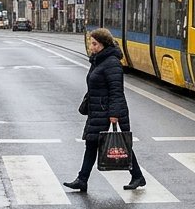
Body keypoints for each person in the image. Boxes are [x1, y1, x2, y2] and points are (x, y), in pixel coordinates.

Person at [63, 28, 146, 193]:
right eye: (90, 43)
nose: (91, 47)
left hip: (107, 110)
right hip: (97, 109)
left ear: (103, 44)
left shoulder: (111, 63)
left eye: (94, 43)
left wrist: (114, 114)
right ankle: (83, 179)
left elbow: (116, 90)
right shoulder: (99, 60)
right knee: (92, 143)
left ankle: (136, 176)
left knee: (120, 143)